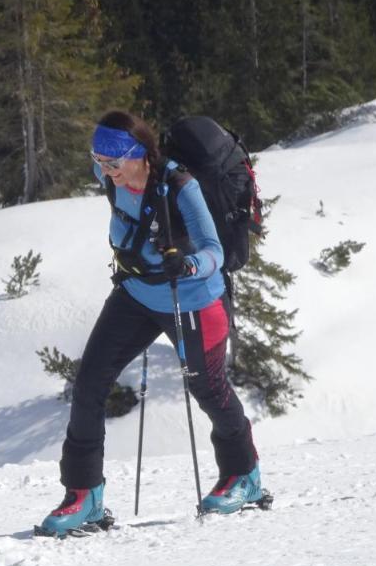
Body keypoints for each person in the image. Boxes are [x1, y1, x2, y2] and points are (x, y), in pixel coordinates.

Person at [38, 109, 265, 537]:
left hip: (193, 298)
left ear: (140, 154)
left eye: (113, 163)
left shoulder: (180, 188)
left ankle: (245, 476)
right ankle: (84, 495)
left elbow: (215, 251)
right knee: (89, 382)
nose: (105, 172)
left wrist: (191, 263)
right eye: (99, 162)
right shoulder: (112, 175)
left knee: (208, 387)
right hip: (136, 293)